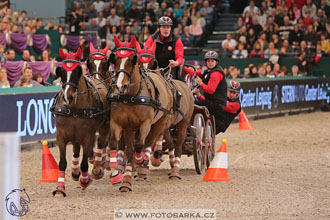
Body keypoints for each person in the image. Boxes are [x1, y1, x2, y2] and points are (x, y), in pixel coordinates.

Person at [183, 51, 227, 134]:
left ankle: (189, 127)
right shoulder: (208, 71)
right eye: (208, 61)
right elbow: (193, 73)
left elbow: (210, 90)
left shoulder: (216, 73)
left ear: (216, 62)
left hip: (216, 104)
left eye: (212, 61)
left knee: (191, 105)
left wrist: (201, 83)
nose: (210, 63)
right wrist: (181, 66)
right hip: (212, 101)